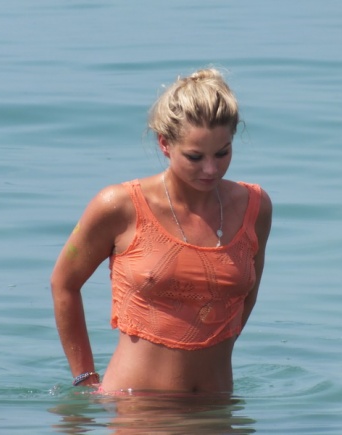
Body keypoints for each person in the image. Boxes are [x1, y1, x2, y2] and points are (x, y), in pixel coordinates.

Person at [51, 67, 272, 395]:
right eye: (194, 157)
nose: (211, 169)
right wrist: (84, 377)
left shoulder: (254, 206)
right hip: (136, 406)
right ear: (165, 144)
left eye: (222, 153)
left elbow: (246, 296)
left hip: (219, 408)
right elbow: (64, 284)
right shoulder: (120, 205)